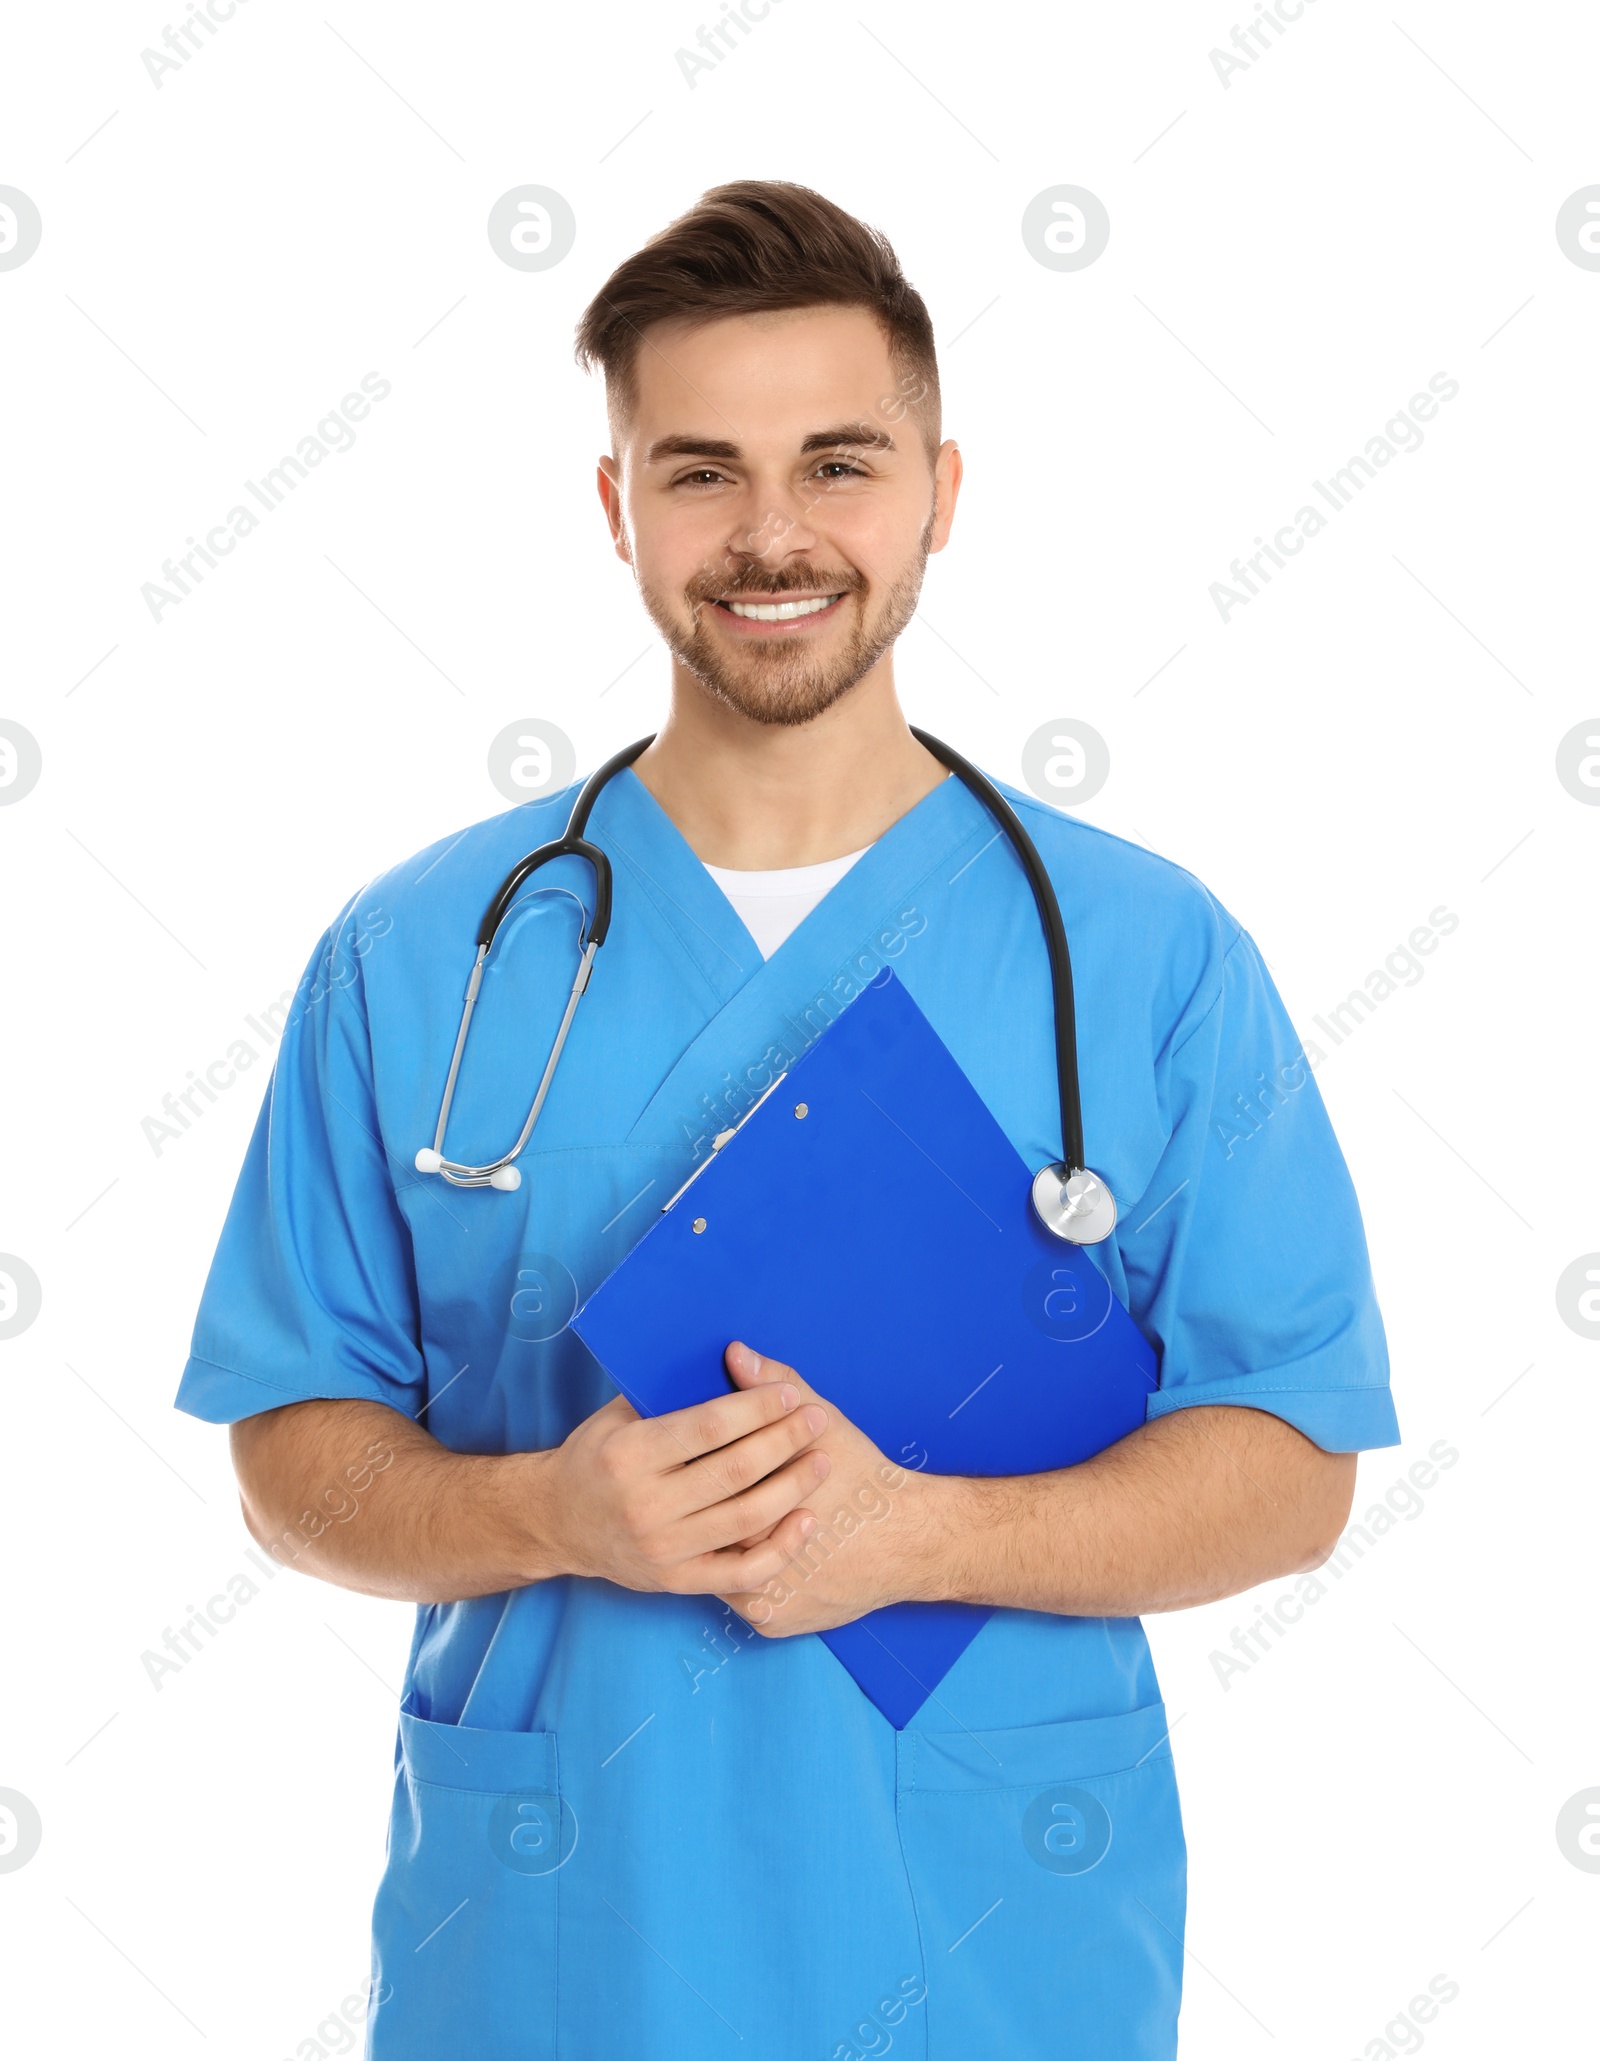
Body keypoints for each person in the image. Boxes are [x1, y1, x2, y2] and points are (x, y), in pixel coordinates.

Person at [176, 180, 1399, 2059]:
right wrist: (544, 1508)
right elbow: (286, 1459)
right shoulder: (420, 958)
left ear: (940, 490)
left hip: (992, 1945)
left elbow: (1294, 1459)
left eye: (838, 462)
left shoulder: (1145, 958)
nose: (770, 534)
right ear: (615, 509)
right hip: (565, 1941)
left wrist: (923, 1536)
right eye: (698, 471)